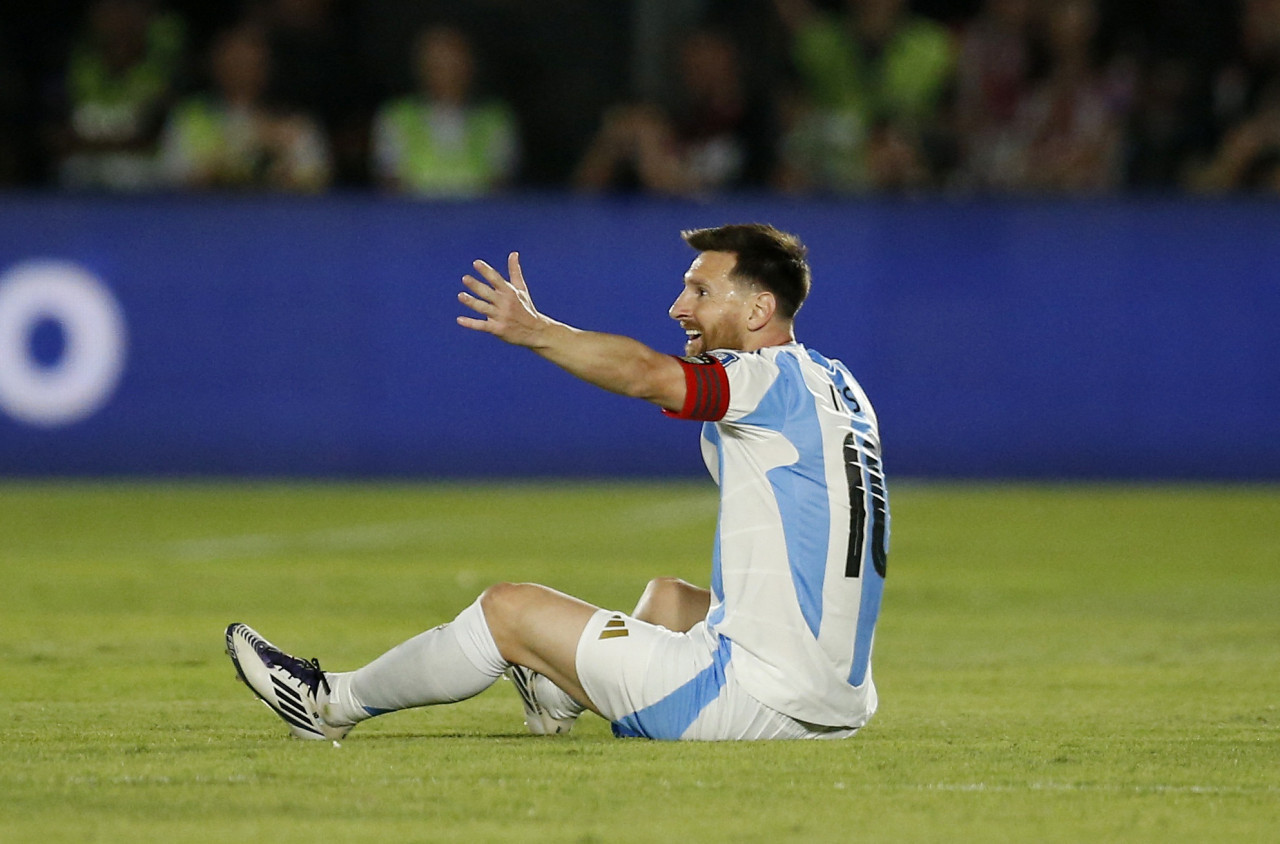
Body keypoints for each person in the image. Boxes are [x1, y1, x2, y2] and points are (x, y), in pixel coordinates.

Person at [226, 223, 890, 742]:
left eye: (701, 291)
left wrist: (537, 331)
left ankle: (327, 703)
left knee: (507, 609)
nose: (677, 305)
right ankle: (557, 695)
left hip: (753, 702)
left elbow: (644, 375)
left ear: (759, 310)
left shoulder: (764, 379)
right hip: (835, 699)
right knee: (667, 599)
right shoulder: (836, 384)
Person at [157, 24, 331, 192]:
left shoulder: (294, 123)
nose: (242, 69)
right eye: (235, 60)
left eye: (252, 61)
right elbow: (171, 176)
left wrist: (276, 168)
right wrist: (224, 169)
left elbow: (315, 177)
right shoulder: (188, 118)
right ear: (214, 62)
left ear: (268, 66)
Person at [370, 24, 519, 197]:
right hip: (413, 220)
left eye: (454, 62)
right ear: (421, 67)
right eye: (437, 63)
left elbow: (501, 181)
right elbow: (389, 180)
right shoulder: (396, 116)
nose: (447, 71)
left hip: (478, 219)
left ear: (470, 65)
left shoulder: (495, 119)